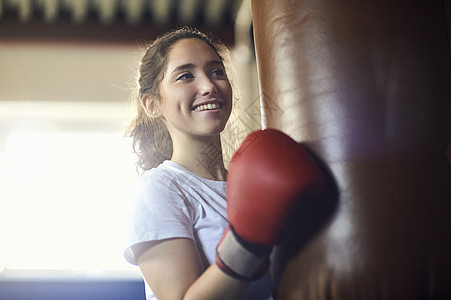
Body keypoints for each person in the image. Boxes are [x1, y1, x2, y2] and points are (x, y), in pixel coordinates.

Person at [123, 27, 274, 299]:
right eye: (185, 76)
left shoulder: (255, 187)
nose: (208, 86)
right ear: (152, 104)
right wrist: (248, 241)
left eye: (216, 72)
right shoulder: (159, 189)